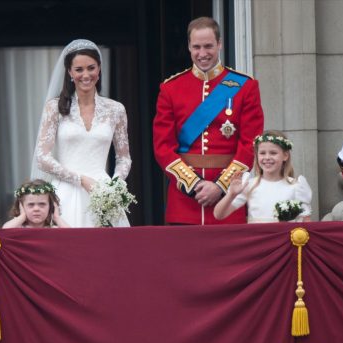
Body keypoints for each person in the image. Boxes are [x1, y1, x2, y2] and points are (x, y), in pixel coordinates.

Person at [153, 16, 264, 225]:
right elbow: (163, 147)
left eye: (208, 46)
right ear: (188, 47)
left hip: (229, 200)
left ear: (220, 44)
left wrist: (221, 186)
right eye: (196, 47)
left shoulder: (245, 86)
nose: (202, 54)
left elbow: (250, 144)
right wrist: (194, 184)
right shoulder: (170, 89)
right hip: (185, 202)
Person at [32, 39, 132, 227]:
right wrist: (80, 179)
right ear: (70, 72)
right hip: (65, 191)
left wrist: (114, 185)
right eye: (79, 70)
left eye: (91, 68)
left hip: (103, 192)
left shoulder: (116, 109)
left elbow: (124, 158)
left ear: (99, 69)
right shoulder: (54, 108)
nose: (86, 75)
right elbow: (42, 157)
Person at [213, 130, 312, 223]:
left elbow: (306, 221)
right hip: (258, 239)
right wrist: (231, 194)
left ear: (285, 156)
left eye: (273, 153)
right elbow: (219, 215)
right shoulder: (249, 185)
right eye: (262, 153)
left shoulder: (296, 186)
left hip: (284, 240)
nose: (267, 157)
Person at [2, 179, 69, 228]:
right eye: (31, 204)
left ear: (51, 206)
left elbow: (72, 235)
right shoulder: (18, 227)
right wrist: (22, 217)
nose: (36, 209)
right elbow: (5, 230)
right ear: (21, 206)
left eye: (42, 204)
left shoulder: (53, 229)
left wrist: (57, 218)